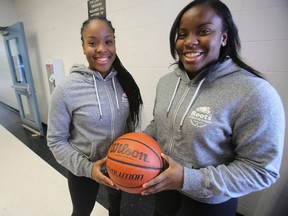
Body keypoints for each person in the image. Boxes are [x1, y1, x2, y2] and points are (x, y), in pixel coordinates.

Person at [141, 0, 285, 215]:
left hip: (208, 203)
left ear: (223, 37)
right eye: (182, 34)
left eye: (204, 31)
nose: (190, 41)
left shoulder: (254, 92)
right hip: (163, 187)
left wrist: (188, 178)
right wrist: (132, 148)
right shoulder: (167, 81)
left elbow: (260, 170)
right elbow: (159, 125)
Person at [47, 16, 142, 216]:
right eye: (92, 42)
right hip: (83, 168)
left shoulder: (125, 81)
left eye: (108, 41)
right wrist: (88, 169)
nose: (101, 49)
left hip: (118, 164)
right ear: (83, 47)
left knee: (115, 207)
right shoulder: (66, 89)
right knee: (81, 212)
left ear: (114, 43)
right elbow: (55, 141)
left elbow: (130, 124)